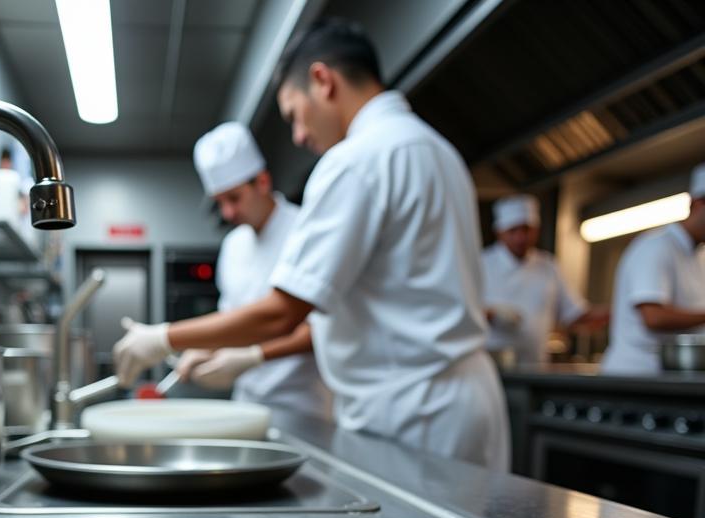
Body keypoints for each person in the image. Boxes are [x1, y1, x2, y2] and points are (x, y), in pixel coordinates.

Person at [113, 19, 510, 471]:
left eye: (293, 114)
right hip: (458, 401)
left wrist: (162, 337)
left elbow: (285, 312)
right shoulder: (436, 149)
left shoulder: (357, 160)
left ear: (322, 81)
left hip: (410, 408)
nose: (299, 136)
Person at [172, 122, 331, 419]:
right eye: (219, 203)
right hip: (245, 404)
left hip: (303, 406)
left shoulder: (306, 231)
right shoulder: (233, 246)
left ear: (262, 181)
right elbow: (233, 321)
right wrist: (206, 349)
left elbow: (320, 330)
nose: (228, 213)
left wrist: (253, 357)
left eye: (234, 198)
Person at [600, 164, 705, 375]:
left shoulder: (699, 257)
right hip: (635, 376)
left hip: (673, 375)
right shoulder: (656, 247)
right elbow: (653, 317)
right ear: (696, 204)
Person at [483, 194, 608, 365]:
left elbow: (575, 314)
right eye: (513, 231)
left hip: (535, 366)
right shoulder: (480, 264)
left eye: (526, 229)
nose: (520, 238)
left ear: (537, 230)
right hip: (491, 367)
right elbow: (460, 311)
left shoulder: (548, 266)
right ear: (499, 232)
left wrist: (618, 312)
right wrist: (491, 314)